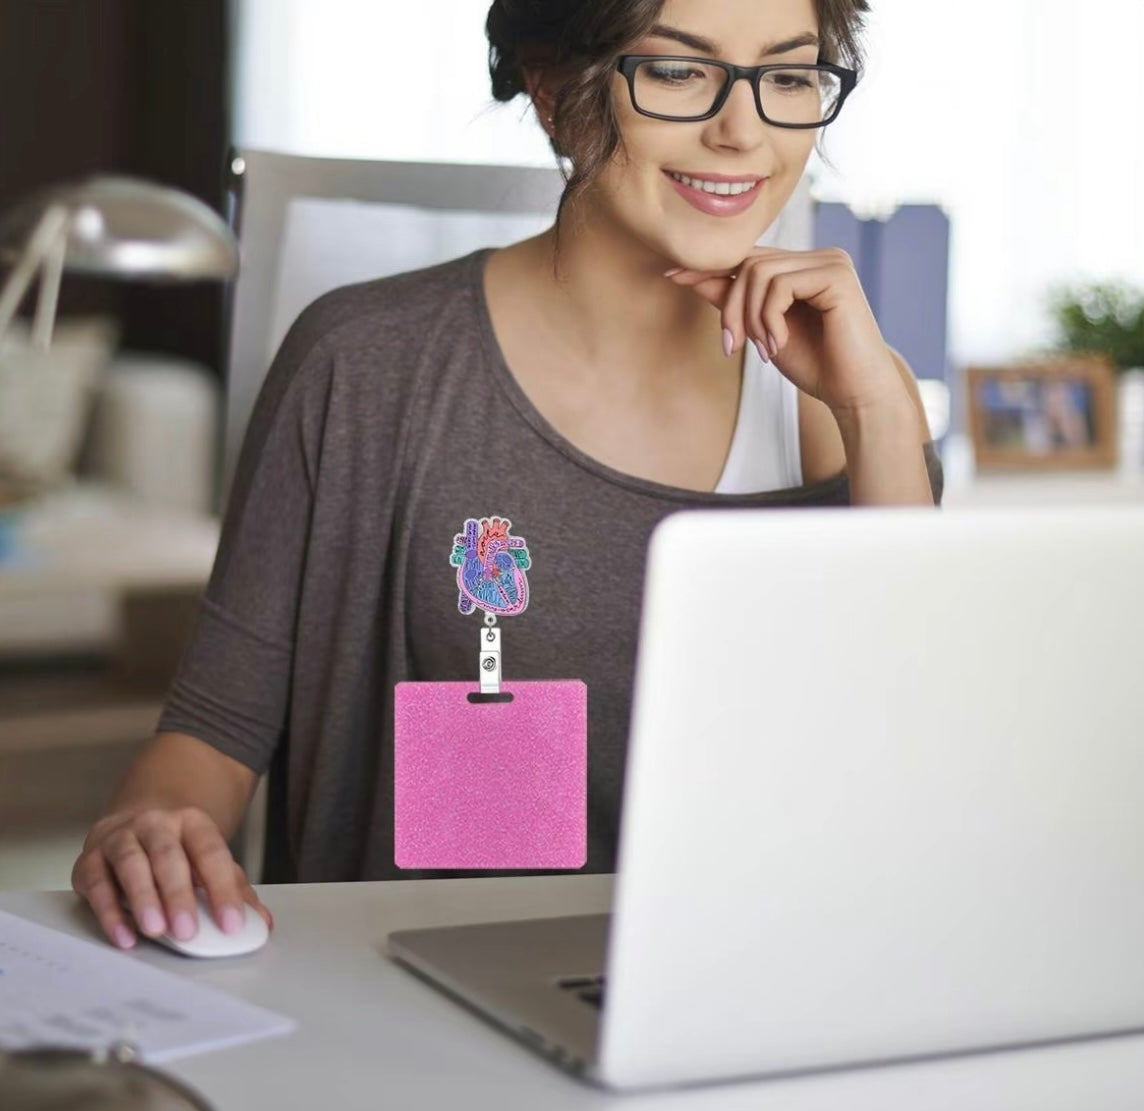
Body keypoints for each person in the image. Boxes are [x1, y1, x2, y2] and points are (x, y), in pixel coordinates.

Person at [73, 0, 943, 951]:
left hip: (768, 977)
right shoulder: (368, 363)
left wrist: (884, 419)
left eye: (787, 75)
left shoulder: (849, 397)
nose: (742, 131)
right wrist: (154, 826)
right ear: (552, 85)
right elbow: (212, 735)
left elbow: (916, 787)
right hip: (441, 991)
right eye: (678, 70)